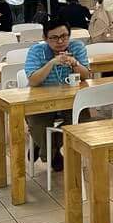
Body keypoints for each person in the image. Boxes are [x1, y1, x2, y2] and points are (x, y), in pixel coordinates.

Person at [23, 18, 91, 171]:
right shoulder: (37, 51)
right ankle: (53, 154)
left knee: (82, 120)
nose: (60, 41)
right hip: (40, 101)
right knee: (38, 124)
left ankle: (44, 147)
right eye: (54, 38)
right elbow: (33, 80)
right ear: (45, 38)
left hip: (70, 99)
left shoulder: (77, 47)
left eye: (64, 36)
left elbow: (86, 75)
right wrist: (52, 62)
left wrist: (75, 63)